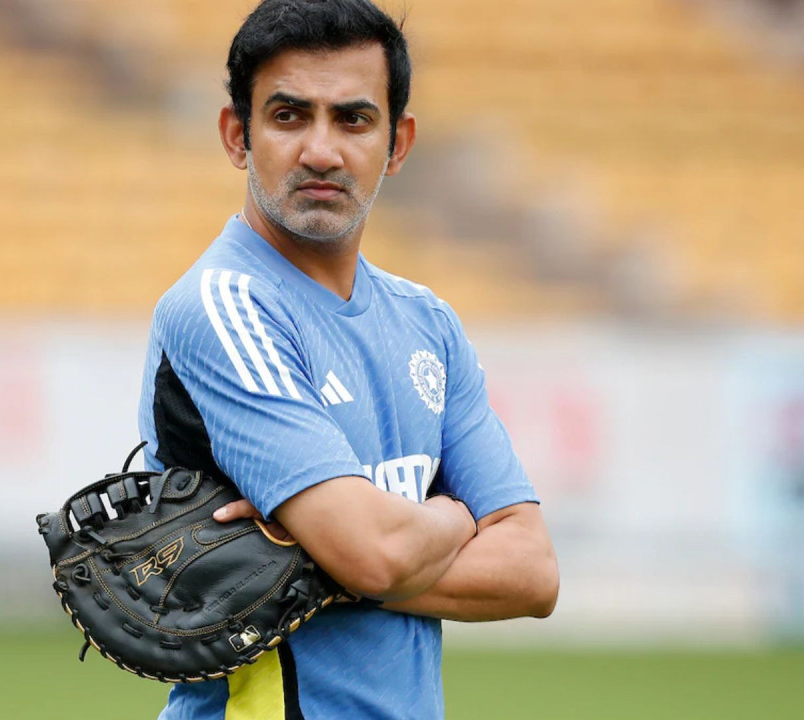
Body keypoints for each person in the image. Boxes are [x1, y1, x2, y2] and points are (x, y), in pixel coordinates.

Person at [136, 1, 559, 717]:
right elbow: (373, 555)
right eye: (289, 116)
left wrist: (316, 560)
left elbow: (532, 571)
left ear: (398, 144)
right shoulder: (224, 306)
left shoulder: (427, 322)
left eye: (354, 120)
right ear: (237, 134)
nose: (321, 151)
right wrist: (456, 517)